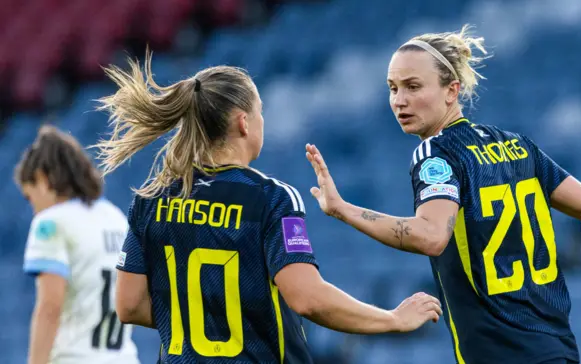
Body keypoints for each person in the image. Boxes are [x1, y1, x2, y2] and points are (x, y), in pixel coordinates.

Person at [304, 25, 581, 364]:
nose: (399, 100)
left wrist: (342, 209)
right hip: (557, 351)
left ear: (451, 90)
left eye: (413, 87)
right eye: (393, 88)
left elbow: (430, 236)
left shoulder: (438, 153)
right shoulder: (518, 146)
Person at [94, 53, 443, 363]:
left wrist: (209, 315)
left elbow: (129, 305)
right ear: (243, 122)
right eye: (260, 112)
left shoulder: (150, 201)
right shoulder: (271, 198)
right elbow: (307, 298)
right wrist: (392, 319)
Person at [15, 126, 140, 364]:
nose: (33, 209)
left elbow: (50, 306)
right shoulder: (116, 218)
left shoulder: (50, 223)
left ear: (42, 179)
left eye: (30, 197)